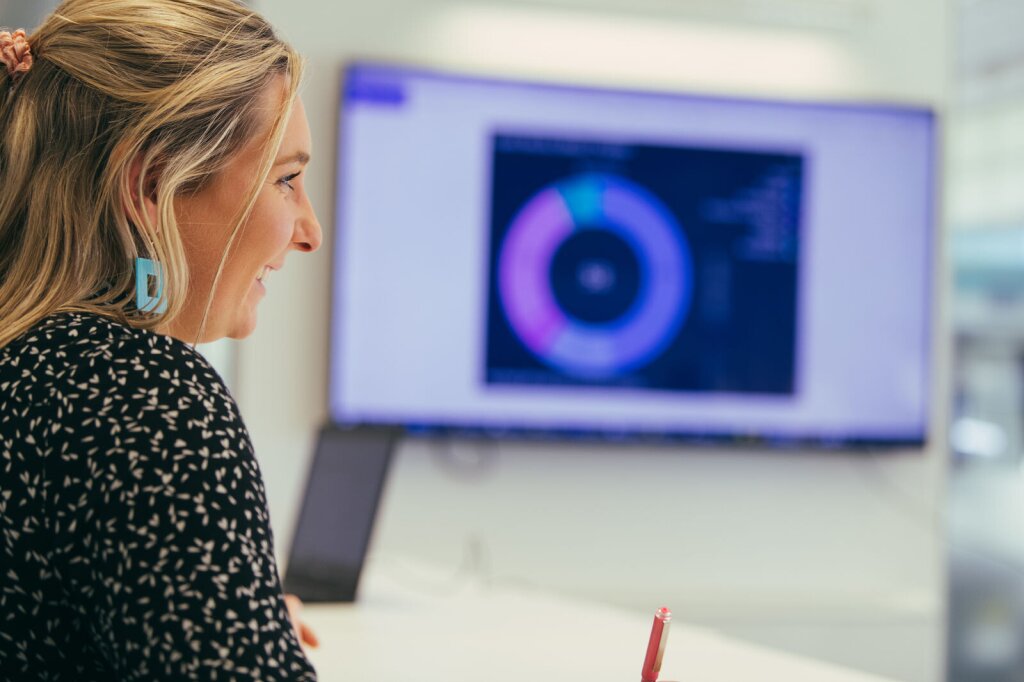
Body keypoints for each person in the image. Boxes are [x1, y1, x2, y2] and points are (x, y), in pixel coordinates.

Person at [0, 0, 324, 679]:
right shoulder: (144, 392)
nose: (309, 231)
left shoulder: (26, 364)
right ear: (152, 185)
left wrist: (225, 610)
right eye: (286, 180)